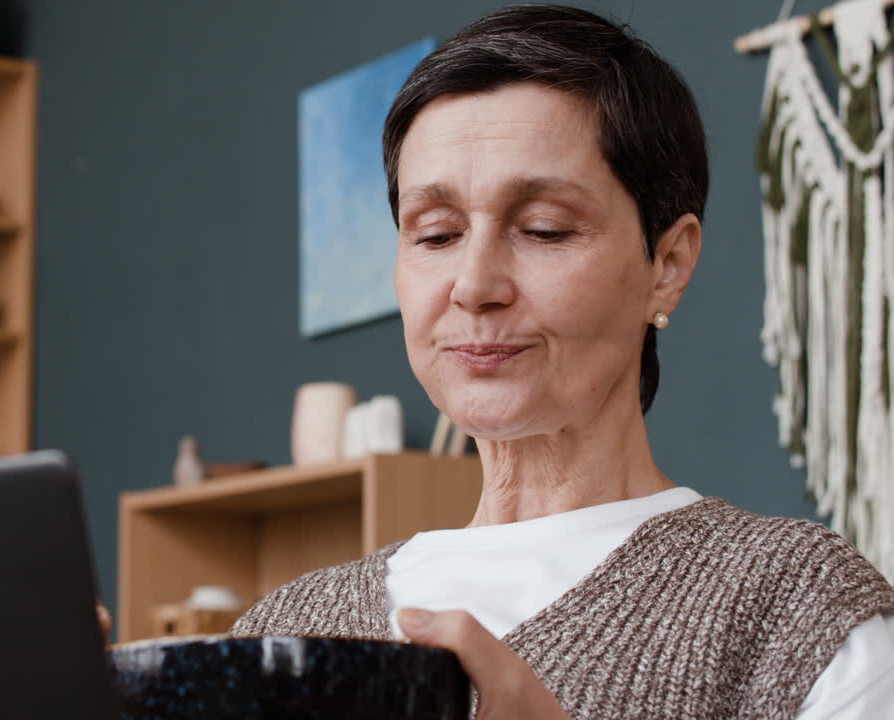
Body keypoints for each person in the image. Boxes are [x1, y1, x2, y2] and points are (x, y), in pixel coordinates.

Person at [229, 5, 894, 719]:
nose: (475, 285)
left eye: (543, 230)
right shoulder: (278, 634)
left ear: (667, 264)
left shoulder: (801, 614)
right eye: (436, 234)